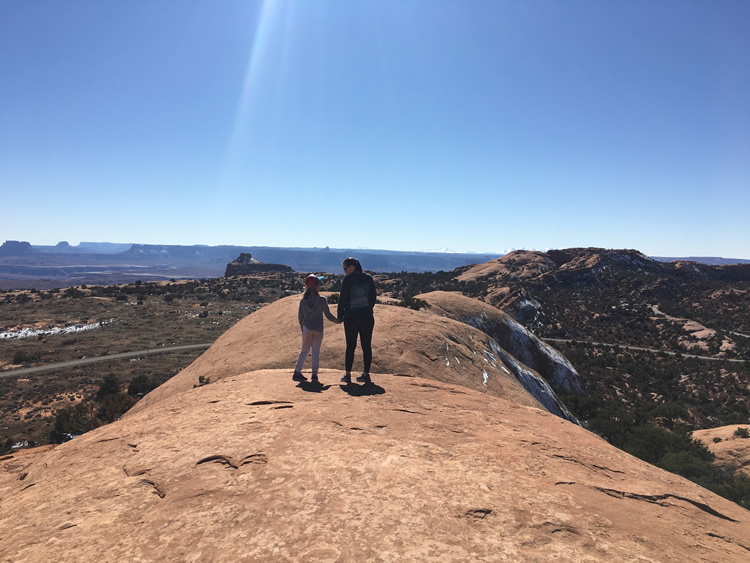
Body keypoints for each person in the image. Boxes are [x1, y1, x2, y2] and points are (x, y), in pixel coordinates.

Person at [292, 274, 341, 383]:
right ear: (316, 286)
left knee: (304, 351)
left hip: (307, 328)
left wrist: (303, 329)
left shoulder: (303, 301)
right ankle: (314, 376)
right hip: (318, 329)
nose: (321, 285)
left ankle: (297, 372)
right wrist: (338, 320)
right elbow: (328, 315)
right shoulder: (322, 300)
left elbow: (300, 317)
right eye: (319, 283)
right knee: (316, 351)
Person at [337, 257, 377, 384]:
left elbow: (342, 299)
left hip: (351, 317)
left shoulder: (348, 280)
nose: (344, 272)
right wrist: (367, 309)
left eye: (345, 268)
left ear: (352, 267)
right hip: (367, 317)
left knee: (350, 346)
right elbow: (373, 296)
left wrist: (340, 315)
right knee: (366, 346)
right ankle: (366, 374)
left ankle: (348, 374)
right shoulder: (368, 278)